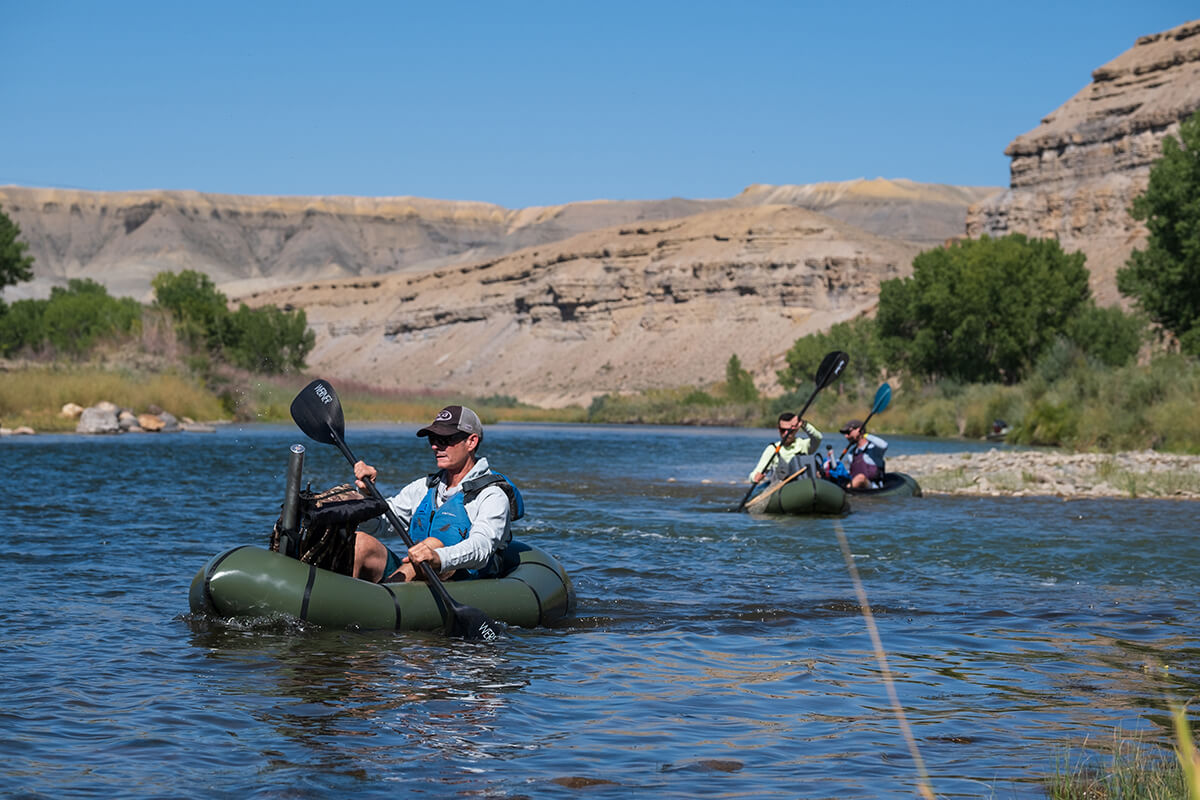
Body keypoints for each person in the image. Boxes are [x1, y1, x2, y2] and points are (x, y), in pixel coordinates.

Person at [350, 405, 519, 583]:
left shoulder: (492, 495)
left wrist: (437, 557)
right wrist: (367, 495)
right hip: (417, 574)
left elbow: (481, 548)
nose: (435, 446)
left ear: (471, 442)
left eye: (445, 439)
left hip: (465, 581)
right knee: (360, 543)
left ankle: (385, 598)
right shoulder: (422, 487)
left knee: (432, 544)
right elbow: (378, 526)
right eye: (433, 438)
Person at [749, 412, 823, 485]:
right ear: (778, 429)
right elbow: (755, 473)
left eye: (790, 431)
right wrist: (755, 478)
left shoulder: (804, 445)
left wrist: (803, 424)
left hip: (804, 487)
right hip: (782, 490)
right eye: (783, 430)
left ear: (796, 430)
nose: (786, 434)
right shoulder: (772, 449)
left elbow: (818, 437)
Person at [840, 418, 888, 489]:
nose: (846, 436)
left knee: (860, 478)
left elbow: (884, 445)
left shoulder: (874, 449)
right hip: (857, 488)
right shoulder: (852, 453)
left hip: (872, 487)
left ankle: (845, 491)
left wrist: (864, 435)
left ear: (859, 431)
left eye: (848, 433)